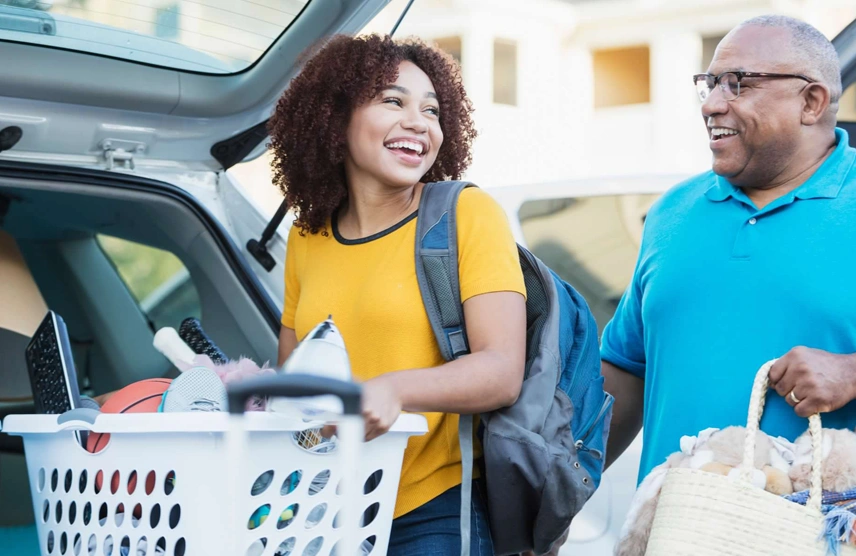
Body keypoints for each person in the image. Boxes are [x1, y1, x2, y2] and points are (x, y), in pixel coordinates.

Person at [269, 34, 527, 555]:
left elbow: (501, 372)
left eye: (431, 111)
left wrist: (392, 389)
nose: (419, 122)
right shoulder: (306, 236)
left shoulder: (466, 214)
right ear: (334, 117)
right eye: (394, 101)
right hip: (324, 510)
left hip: (431, 511)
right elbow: (294, 381)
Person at [602, 15, 856, 484]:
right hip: (672, 533)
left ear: (811, 101)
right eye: (711, 83)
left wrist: (851, 373)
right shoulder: (670, 213)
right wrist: (555, 501)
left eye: (738, 84)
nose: (712, 105)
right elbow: (626, 371)